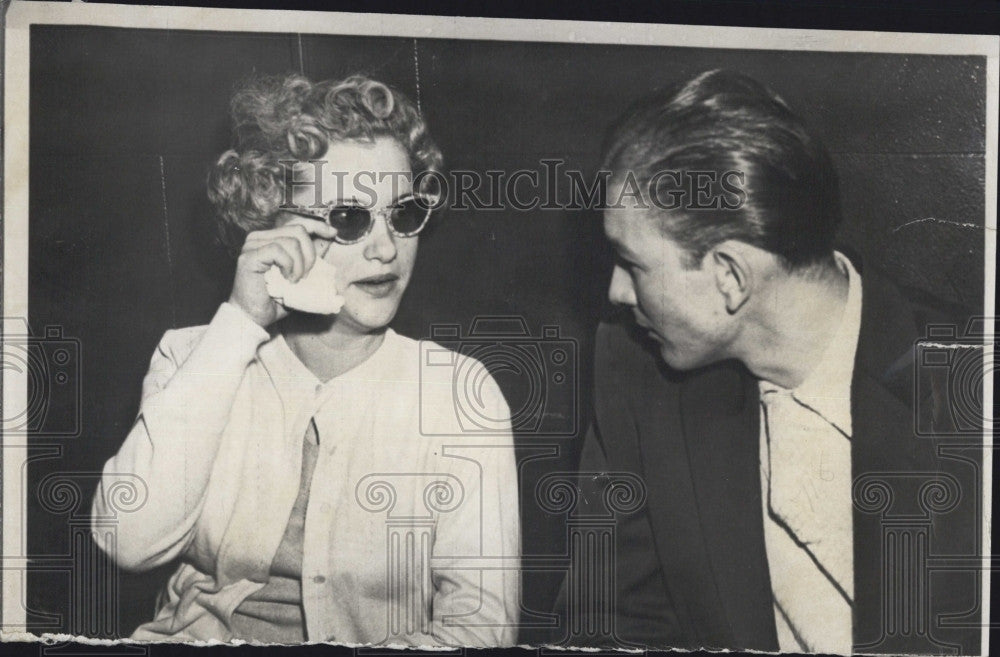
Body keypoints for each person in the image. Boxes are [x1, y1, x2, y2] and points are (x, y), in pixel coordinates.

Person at [556, 70, 981, 654]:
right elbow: (612, 630)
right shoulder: (632, 372)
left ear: (730, 277)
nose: (616, 292)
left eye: (633, 264)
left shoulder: (969, 388)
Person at [91, 73, 520, 646]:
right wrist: (241, 323)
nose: (386, 248)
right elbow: (127, 539)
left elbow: (482, 627)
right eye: (348, 218)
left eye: (404, 213)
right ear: (270, 227)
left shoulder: (457, 393)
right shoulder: (194, 356)